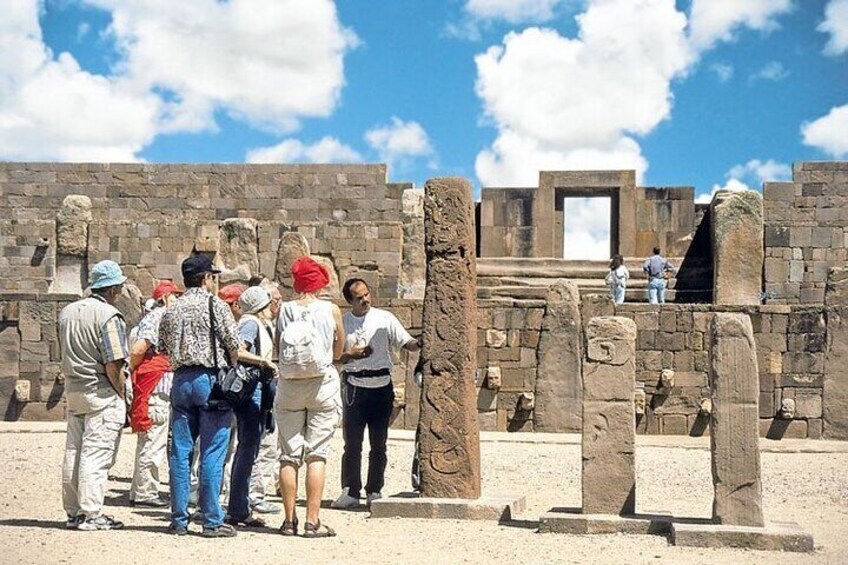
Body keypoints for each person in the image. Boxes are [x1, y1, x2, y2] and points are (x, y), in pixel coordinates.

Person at [159, 255, 241, 538]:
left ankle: (179, 519)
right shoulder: (215, 305)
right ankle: (211, 520)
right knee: (212, 452)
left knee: (180, 453)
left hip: (181, 380)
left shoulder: (172, 308)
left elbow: (163, 347)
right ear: (206, 278)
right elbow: (234, 343)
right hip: (211, 380)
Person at [332, 278, 421, 509]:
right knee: (352, 443)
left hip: (381, 385)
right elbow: (336, 356)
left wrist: (420, 342)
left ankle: (374, 489)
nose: (365, 300)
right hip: (355, 386)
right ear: (350, 300)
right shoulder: (344, 323)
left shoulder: (384, 319)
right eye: (359, 298)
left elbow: (405, 342)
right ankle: (351, 490)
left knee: (378, 443)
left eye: (367, 294)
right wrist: (352, 354)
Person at [275, 256, 344, 538]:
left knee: (288, 455)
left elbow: (279, 347)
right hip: (321, 384)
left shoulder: (285, 309)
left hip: (290, 384)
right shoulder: (331, 310)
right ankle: (311, 520)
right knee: (317, 453)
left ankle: (288, 521)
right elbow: (339, 348)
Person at [59, 260, 129, 531]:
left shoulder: (67, 312)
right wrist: (122, 393)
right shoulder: (108, 315)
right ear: (112, 290)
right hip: (100, 392)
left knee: (73, 453)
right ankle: (91, 514)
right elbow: (114, 364)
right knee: (96, 456)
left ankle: (73, 511)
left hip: (74, 390)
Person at [225, 286, 279, 528]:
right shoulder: (250, 323)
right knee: (247, 449)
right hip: (251, 390)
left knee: (249, 448)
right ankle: (237, 507)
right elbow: (238, 351)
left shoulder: (257, 323)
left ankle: (239, 505)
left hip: (258, 389)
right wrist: (263, 361)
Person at [128, 280, 182, 508]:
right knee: (153, 441)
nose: (179, 299)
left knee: (150, 441)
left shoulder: (159, 317)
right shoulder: (159, 316)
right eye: (175, 295)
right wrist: (131, 368)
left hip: (158, 383)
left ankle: (139, 489)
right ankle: (145, 492)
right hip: (157, 386)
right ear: (165, 298)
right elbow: (139, 348)